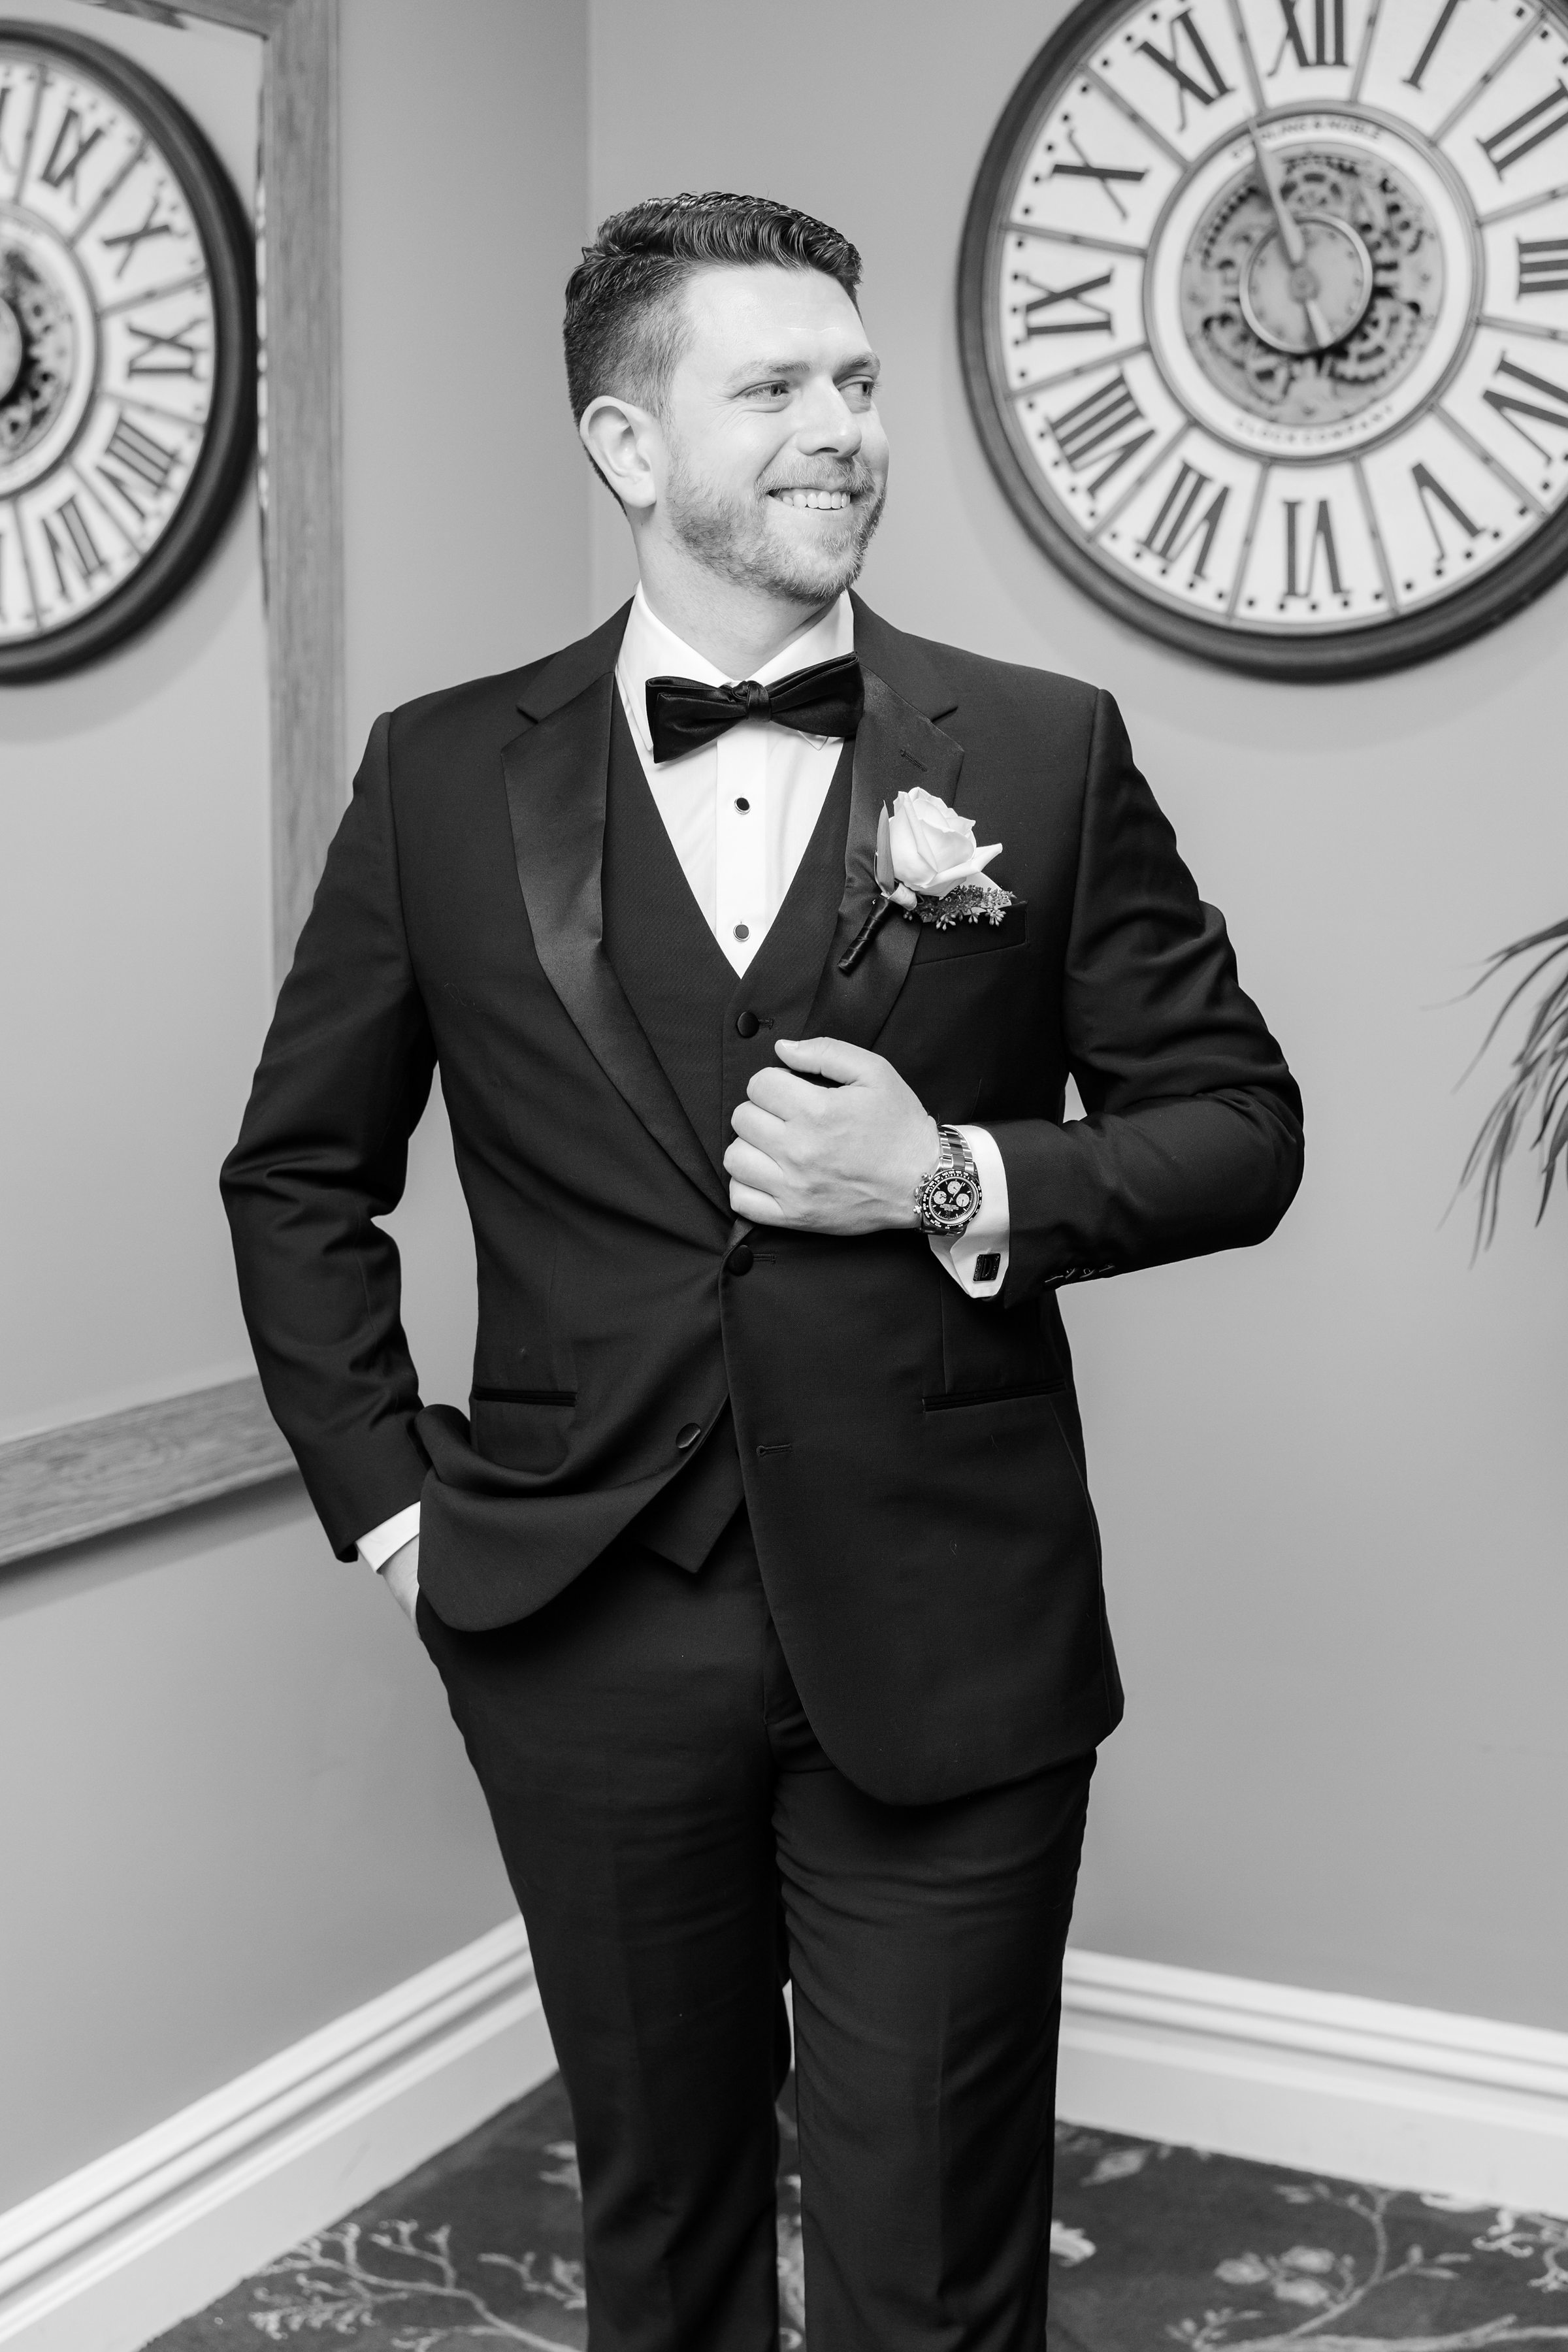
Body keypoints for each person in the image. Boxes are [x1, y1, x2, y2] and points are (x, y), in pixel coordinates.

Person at [222, 191, 1303, 2352]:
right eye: (780, 387)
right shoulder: (444, 772)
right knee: (666, 2231)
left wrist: (948, 1176)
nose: (848, 429)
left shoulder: (1040, 745)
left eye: (862, 381)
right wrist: (397, 1510)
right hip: (576, 1618)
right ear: (631, 452)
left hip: (946, 1621)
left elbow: (1242, 1131)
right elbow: (299, 1172)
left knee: (933, 2264)